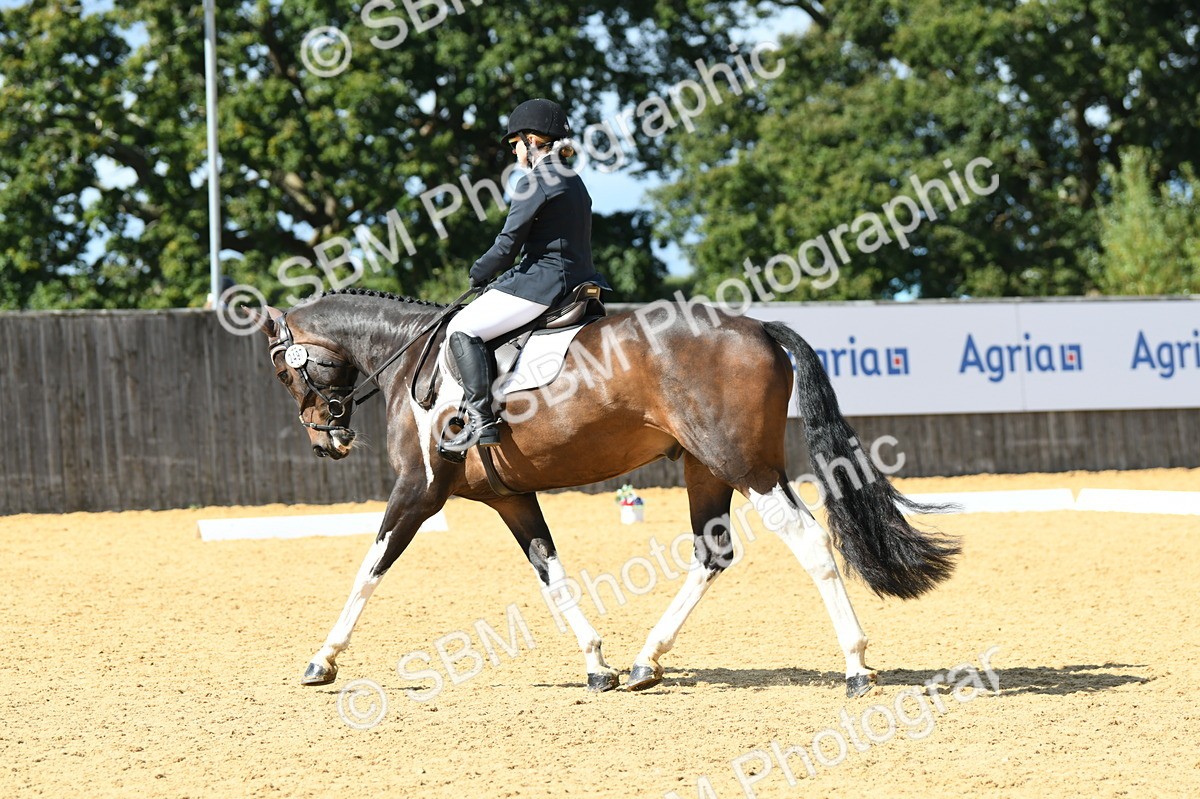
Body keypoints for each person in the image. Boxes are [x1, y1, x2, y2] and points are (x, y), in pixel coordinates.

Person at [439, 98, 612, 455]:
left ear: (532, 140)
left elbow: (506, 246)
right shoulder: (573, 179)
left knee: (461, 328)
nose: (514, 151)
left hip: (542, 283)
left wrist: (478, 273)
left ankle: (480, 419)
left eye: (516, 143)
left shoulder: (536, 180)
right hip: (579, 279)